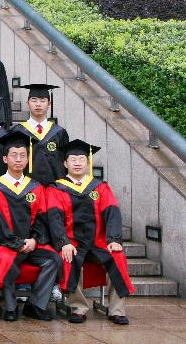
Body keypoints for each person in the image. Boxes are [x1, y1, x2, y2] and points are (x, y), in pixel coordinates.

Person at [47, 139, 133, 325]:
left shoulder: (99, 187)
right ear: (65, 163)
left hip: (98, 241)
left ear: (88, 163)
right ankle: (78, 308)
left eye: (81, 159)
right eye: (73, 159)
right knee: (67, 258)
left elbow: (112, 213)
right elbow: (54, 219)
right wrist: (63, 242)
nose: (77, 163)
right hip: (72, 242)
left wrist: (113, 239)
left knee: (117, 256)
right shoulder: (56, 189)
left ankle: (117, 310)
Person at [0, 131, 60, 322]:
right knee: (4, 260)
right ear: (5, 159)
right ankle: (10, 306)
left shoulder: (36, 188)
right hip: (5, 245)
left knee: (54, 260)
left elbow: (42, 219)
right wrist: (16, 243)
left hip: (31, 245)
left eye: (22, 155)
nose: (18, 159)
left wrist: (34, 240)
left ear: (28, 159)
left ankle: (36, 305)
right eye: (14, 155)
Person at [15, 83, 70, 184]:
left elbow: (66, 164)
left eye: (42, 100)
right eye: (34, 100)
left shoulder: (59, 133)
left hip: (54, 188)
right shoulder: (18, 132)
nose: (38, 104)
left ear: (49, 104)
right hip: (26, 189)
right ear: (27, 103)